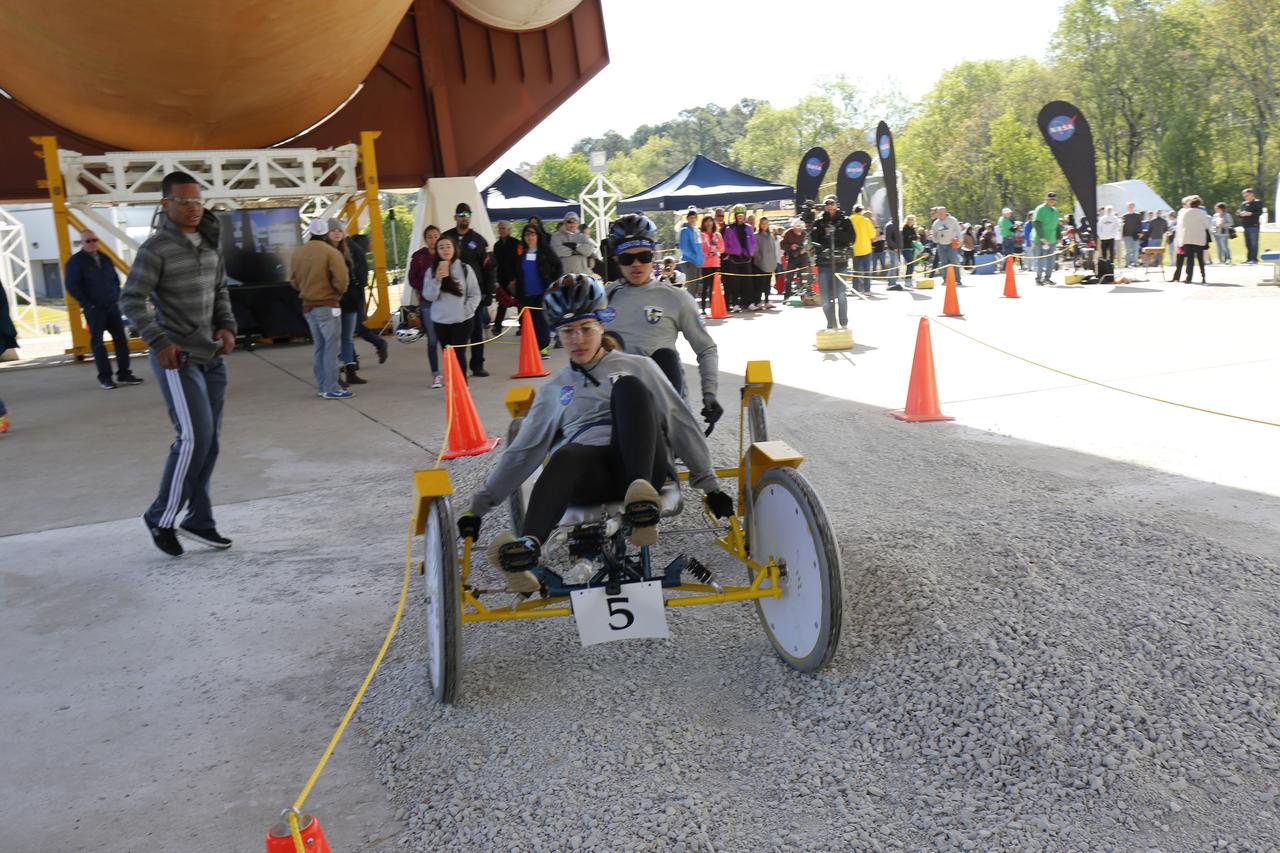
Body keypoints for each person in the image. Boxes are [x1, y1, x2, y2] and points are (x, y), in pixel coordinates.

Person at [454, 275, 734, 592]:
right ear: (558, 334)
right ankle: (528, 549)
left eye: (586, 329)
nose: (578, 339)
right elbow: (523, 452)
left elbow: (679, 420)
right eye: (568, 332)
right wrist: (477, 508)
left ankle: (640, 503)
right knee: (566, 454)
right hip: (590, 475)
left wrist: (710, 485)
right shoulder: (554, 390)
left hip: (642, 466)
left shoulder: (638, 366)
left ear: (602, 325)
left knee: (628, 387)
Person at [120, 170, 237, 557]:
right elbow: (132, 300)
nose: (193, 208)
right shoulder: (155, 249)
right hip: (178, 358)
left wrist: (226, 326)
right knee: (193, 439)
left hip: (211, 356)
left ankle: (199, 519)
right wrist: (158, 341)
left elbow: (220, 289)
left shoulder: (209, 243)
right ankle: (160, 517)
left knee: (211, 443)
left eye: (197, 200)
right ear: (165, 204)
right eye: (184, 201)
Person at [602, 214, 721, 426]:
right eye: (627, 259)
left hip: (664, 403)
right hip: (616, 403)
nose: (636, 265)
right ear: (616, 261)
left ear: (654, 254)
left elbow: (706, 349)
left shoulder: (677, 297)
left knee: (665, 357)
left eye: (645, 257)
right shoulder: (603, 298)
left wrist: (709, 392)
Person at [66, 229, 144, 390]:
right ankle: (105, 378)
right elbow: (72, 286)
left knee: (121, 341)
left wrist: (117, 297)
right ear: (81, 243)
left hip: (112, 306)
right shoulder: (75, 262)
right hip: (94, 310)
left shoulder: (105, 258)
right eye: (88, 241)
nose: (92, 243)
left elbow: (115, 280)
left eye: (95, 239)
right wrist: (88, 304)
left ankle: (124, 374)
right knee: (98, 344)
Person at [291, 219, 351, 398]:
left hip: (307, 306)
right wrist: (336, 294)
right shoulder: (331, 253)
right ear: (326, 233)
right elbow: (342, 280)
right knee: (332, 348)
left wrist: (306, 290)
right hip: (328, 304)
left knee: (319, 346)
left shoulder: (298, 253)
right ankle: (332, 387)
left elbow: (293, 280)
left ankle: (322, 386)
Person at [332, 221, 387, 387]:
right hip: (343, 299)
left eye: (338, 230)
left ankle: (354, 365)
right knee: (347, 333)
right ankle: (351, 365)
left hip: (350, 299)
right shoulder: (333, 250)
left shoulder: (352, 249)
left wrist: (354, 291)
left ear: (344, 232)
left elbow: (362, 274)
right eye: (332, 230)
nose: (336, 233)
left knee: (351, 332)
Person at [441, 203, 492, 377]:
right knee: (451, 333)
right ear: (455, 217)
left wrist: (488, 292)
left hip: (473, 295)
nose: (464, 217)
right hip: (449, 295)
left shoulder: (479, 240)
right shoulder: (446, 237)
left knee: (476, 330)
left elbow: (489, 268)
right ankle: (454, 368)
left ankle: (477, 365)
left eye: (467, 214)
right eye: (461, 214)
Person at [423, 235, 482, 379]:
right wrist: (437, 279)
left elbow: (475, 294)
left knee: (458, 353)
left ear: (455, 249)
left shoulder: (465, 268)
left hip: (462, 320)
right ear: (436, 251)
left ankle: (462, 388)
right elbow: (429, 296)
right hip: (441, 321)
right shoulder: (431, 271)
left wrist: (465, 311)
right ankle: (452, 385)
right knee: (448, 354)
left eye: (448, 246)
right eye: (441, 247)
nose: (445, 250)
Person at [407, 225, 444, 388]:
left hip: (444, 301)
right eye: (429, 236)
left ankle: (454, 371)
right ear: (425, 238)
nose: (433, 239)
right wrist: (424, 288)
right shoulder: (419, 257)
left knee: (446, 339)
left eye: (436, 236)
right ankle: (435, 374)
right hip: (426, 302)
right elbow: (412, 278)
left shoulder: (445, 254)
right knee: (432, 339)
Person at [516, 222, 562, 353]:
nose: (529, 237)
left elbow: (558, 265)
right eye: (526, 234)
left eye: (532, 234)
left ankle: (543, 348)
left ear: (537, 235)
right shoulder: (522, 254)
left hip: (542, 292)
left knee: (541, 321)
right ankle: (534, 348)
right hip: (526, 294)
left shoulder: (545, 251)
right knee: (530, 323)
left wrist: (554, 284)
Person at [812, 195, 853, 329]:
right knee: (825, 298)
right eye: (827, 204)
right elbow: (814, 240)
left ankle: (843, 322)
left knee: (841, 295)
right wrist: (820, 249)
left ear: (837, 205)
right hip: (824, 264)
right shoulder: (819, 222)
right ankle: (831, 323)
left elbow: (852, 238)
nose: (830, 206)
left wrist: (836, 232)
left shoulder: (845, 220)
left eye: (832, 203)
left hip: (840, 263)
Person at [721, 204, 756, 311]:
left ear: (744, 216)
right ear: (735, 216)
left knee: (748, 281)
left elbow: (753, 242)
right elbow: (726, 243)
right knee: (734, 282)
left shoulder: (749, 228)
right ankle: (735, 303)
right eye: (738, 215)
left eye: (742, 215)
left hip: (746, 258)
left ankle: (749, 302)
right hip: (734, 259)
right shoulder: (729, 228)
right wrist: (731, 252)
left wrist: (750, 252)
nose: (740, 217)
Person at [489, 221, 521, 334]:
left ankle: (522, 327)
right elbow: (495, 264)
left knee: (519, 303)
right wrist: (496, 280)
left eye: (503, 228)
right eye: (500, 228)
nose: (501, 230)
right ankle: (497, 327)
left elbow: (519, 261)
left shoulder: (516, 243)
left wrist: (515, 279)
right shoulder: (497, 245)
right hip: (502, 278)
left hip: (515, 278)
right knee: (502, 303)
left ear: (509, 230)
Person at [1174, 196, 1212, 284]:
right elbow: (1207, 226)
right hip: (1199, 239)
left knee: (1190, 259)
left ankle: (1189, 277)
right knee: (1200, 259)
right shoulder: (1202, 213)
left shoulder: (1184, 213)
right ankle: (1203, 276)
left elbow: (1181, 226)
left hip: (1187, 238)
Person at [549, 212, 597, 277]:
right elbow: (557, 251)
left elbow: (589, 250)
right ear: (565, 223)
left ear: (578, 223)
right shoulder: (556, 236)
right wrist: (580, 251)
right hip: (564, 276)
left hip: (583, 276)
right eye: (569, 221)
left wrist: (575, 246)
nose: (572, 224)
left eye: (575, 221)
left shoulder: (583, 236)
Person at [1030, 193, 1060, 285]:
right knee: (1041, 260)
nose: (1052, 201)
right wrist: (1042, 237)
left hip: (1052, 239)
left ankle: (1047, 278)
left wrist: (1059, 237)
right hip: (1041, 240)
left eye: (1053, 199)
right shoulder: (1040, 209)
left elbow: (1057, 225)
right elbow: (1036, 223)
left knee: (1051, 261)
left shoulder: (1055, 210)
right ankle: (1038, 279)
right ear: (1046, 199)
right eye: (1050, 199)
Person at [697, 215, 724, 314]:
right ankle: (703, 308)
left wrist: (716, 248)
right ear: (703, 223)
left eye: (710, 221)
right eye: (706, 221)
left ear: (713, 223)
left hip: (716, 264)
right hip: (705, 264)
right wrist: (708, 254)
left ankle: (714, 307)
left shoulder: (717, 235)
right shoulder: (701, 235)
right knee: (706, 286)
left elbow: (722, 249)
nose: (708, 223)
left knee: (715, 287)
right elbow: (699, 250)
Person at [930, 206, 963, 285]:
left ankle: (957, 280)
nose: (940, 214)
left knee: (954, 261)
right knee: (943, 262)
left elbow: (958, 231)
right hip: (941, 245)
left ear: (945, 212)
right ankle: (945, 280)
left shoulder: (952, 220)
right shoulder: (936, 223)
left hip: (951, 244)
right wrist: (936, 240)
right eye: (939, 213)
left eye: (942, 212)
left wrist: (960, 241)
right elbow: (934, 233)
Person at [677, 207, 704, 302]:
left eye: (694, 217)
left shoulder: (697, 230)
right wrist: (694, 257)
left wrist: (701, 259)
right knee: (691, 286)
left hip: (697, 262)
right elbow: (684, 247)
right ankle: (688, 306)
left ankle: (691, 305)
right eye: (690, 217)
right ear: (688, 219)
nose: (692, 219)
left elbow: (699, 246)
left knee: (696, 286)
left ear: (696, 219)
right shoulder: (685, 230)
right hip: (688, 261)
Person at [779, 217, 810, 300]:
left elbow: (809, 244)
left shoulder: (804, 233)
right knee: (788, 277)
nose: (799, 229)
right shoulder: (788, 233)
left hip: (803, 256)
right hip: (792, 256)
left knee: (804, 276)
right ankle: (787, 296)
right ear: (793, 227)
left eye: (800, 227)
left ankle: (803, 296)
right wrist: (790, 246)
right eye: (797, 227)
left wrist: (805, 249)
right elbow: (782, 245)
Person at [752, 217, 780, 308]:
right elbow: (756, 251)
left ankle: (767, 300)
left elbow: (773, 249)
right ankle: (758, 301)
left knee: (768, 283)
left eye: (766, 223)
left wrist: (774, 261)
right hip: (760, 264)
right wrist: (760, 261)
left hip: (770, 263)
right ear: (760, 224)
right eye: (762, 223)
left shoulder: (771, 236)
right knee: (760, 284)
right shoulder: (756, 236)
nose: (764, 225)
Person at [849, 205, 874, 295]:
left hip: (855, 249)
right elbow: (872, 234)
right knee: (867, 271)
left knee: (856, 271)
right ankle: (867, 290)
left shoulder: (849, 220)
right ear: (861, 211)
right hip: (866, 248)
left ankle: (855, 289)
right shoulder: (866, 220)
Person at [1237, 188, 1263, 264]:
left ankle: (1254, 259)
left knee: (1254, 243)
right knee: (1247, 243)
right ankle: (1249, 258)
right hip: (1246, 226)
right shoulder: (1244, 204)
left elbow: (1259, 212)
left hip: (1254, 225)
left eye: (1247, 195)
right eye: (1244, 196)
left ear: (1252, 194)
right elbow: (1239, 212)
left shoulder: (1257, 202)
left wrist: (1250, 213)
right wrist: (1240, 213)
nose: (1245, 197)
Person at [1120, 202, 1143, 267]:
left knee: (1135, 250)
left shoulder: (1137, 215)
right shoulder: (1125, 216)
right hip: (1127, 235)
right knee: (1128, 250)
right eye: (1129, 206)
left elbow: (1140, 224)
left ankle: (1135, 263)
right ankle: (1127, 263)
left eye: (1132, 206)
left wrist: (1141, 232)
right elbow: (1122, 226)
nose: (1131, 207)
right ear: (1127, 207)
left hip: (1135, 235)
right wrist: (1121, 235)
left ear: (1134, 207)